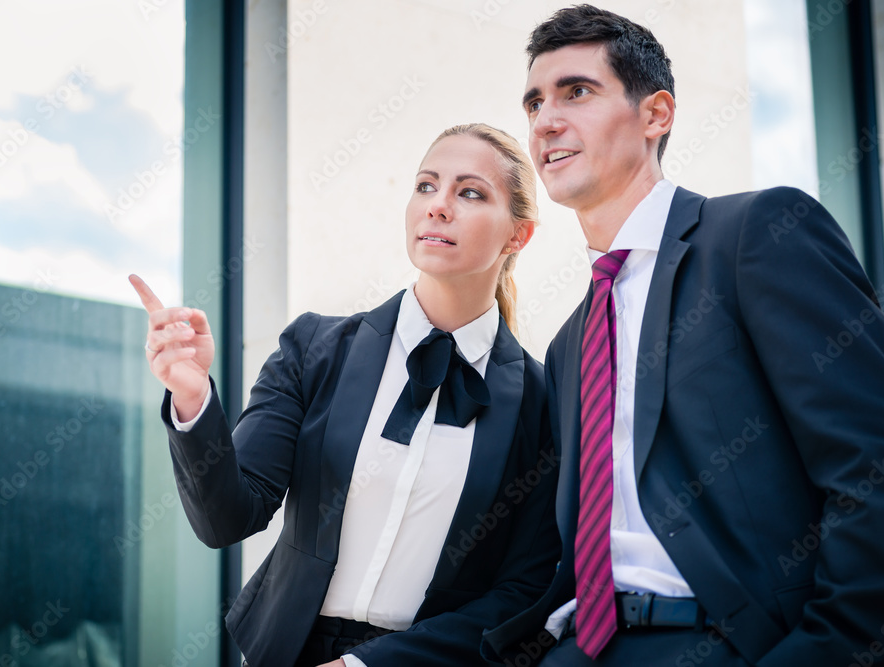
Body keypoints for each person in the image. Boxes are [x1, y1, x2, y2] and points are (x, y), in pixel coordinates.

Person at [482, 5, 884, 666]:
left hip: (737, 643)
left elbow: (883, 470)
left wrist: (827, 649)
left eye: (577, 91)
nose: (546, 120)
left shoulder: (757, 234)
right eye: (534, 102)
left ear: (655, 115)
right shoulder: (568, 345)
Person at [129, 123, 562, 666]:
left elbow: (525, 591)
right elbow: (228, 519)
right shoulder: (315, 348)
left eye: (470, 192)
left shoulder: (543, 400)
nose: (439, 206)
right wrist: (194, 401)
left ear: (518, 235)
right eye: (426, 186)